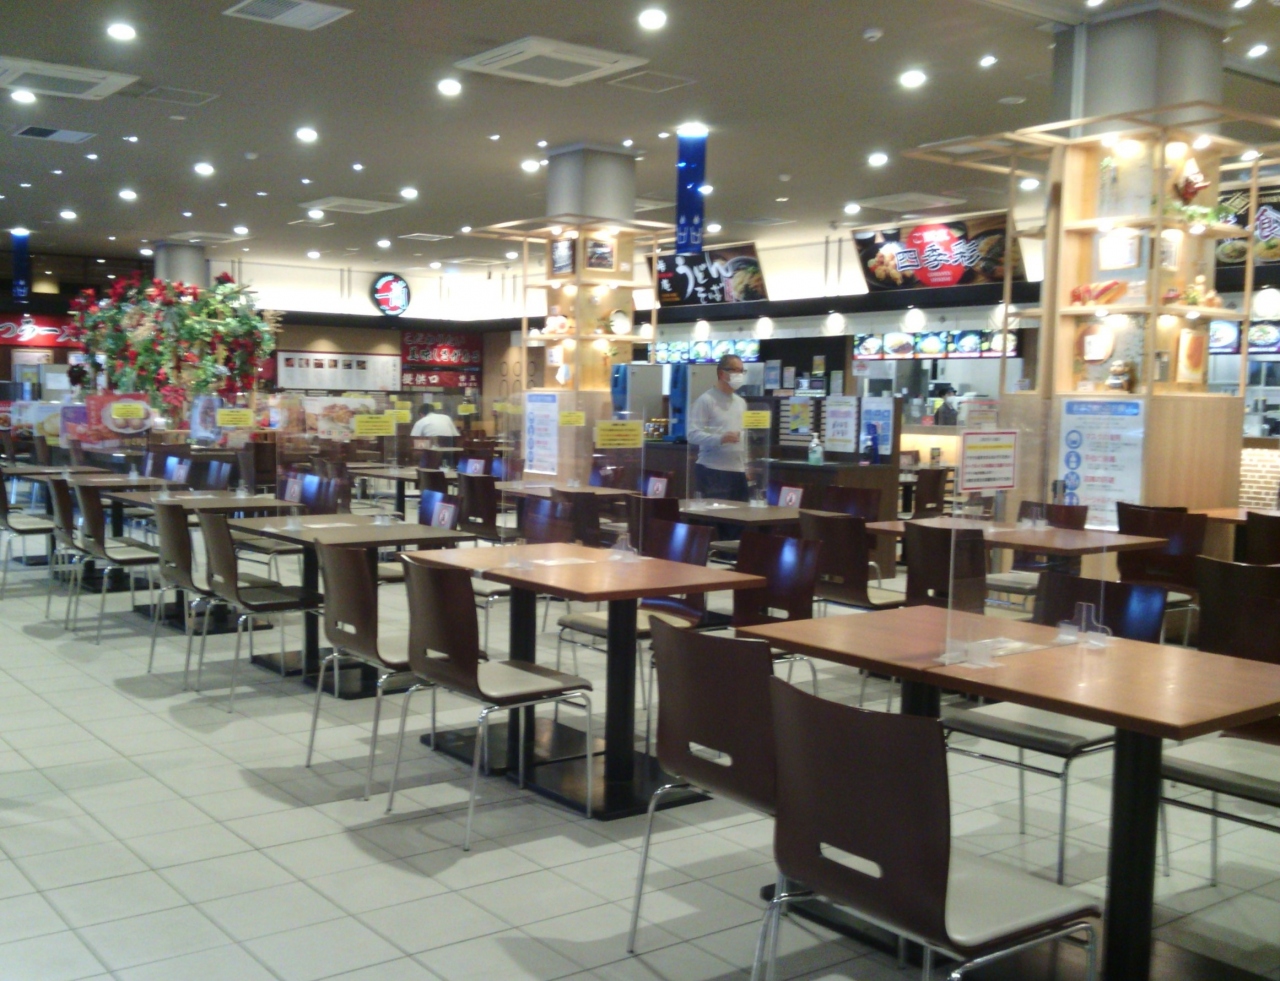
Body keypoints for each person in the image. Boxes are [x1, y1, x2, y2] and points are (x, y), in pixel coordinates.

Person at [688, 353, 749, 501]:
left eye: (742, 371)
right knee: (716, 514)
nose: (739, 375)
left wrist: (746, 465)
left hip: (738, 471)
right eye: (735, 370)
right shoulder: (706, 400)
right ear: (721, 373)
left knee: (740, 514)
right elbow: (692, 434)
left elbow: (744, 436)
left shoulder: (741, 402)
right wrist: (720, 438)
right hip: (712, 470)